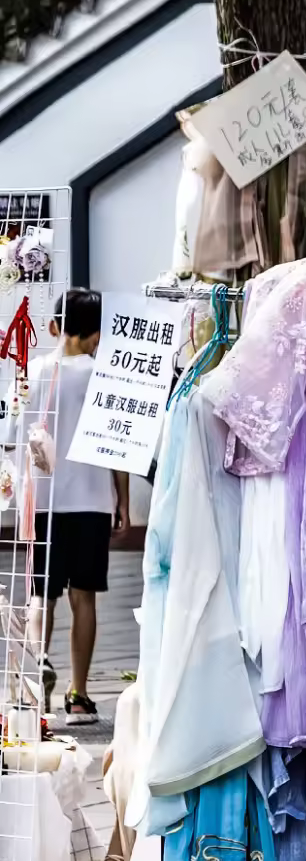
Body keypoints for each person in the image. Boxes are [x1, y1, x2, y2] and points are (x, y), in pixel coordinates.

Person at [20, 289, 130, 725]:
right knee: (84, 597)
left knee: (40, 595)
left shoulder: (31, 373)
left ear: (54, 327)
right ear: (97, 335)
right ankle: (79, 697)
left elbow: (14, 436)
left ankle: (36, 678)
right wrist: (123, 501)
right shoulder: (103, 376)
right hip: (91, 502)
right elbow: (116, 446)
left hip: (42, 501)